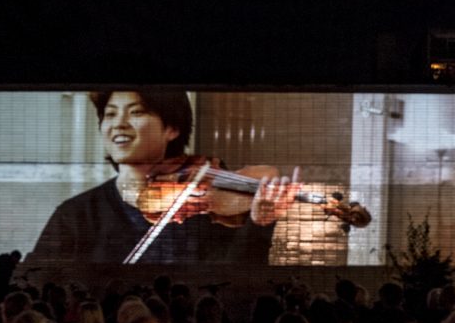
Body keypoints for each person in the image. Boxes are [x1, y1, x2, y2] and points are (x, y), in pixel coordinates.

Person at [28, 90, 301, 264]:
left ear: (171, 128)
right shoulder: (75, 216)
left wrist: (259, 224)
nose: (119, 124)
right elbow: (36, 281)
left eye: (136, 112)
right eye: (109, 115)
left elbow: (235, 282)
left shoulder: (206, 209)